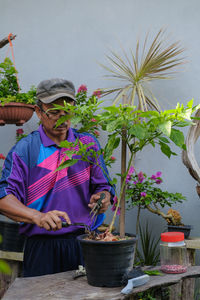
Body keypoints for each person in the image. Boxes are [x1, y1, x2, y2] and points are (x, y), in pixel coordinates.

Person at [0, 78, 114, 277]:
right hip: (41, 248)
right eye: (53, 112)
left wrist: (103, 198)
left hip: (85, 242)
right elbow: (3, 198)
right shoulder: (25, 149)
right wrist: (38, 216)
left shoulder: (87, 144)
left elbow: (103, 186)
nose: (61, 119)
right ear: (38, 111)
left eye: (67, 112)